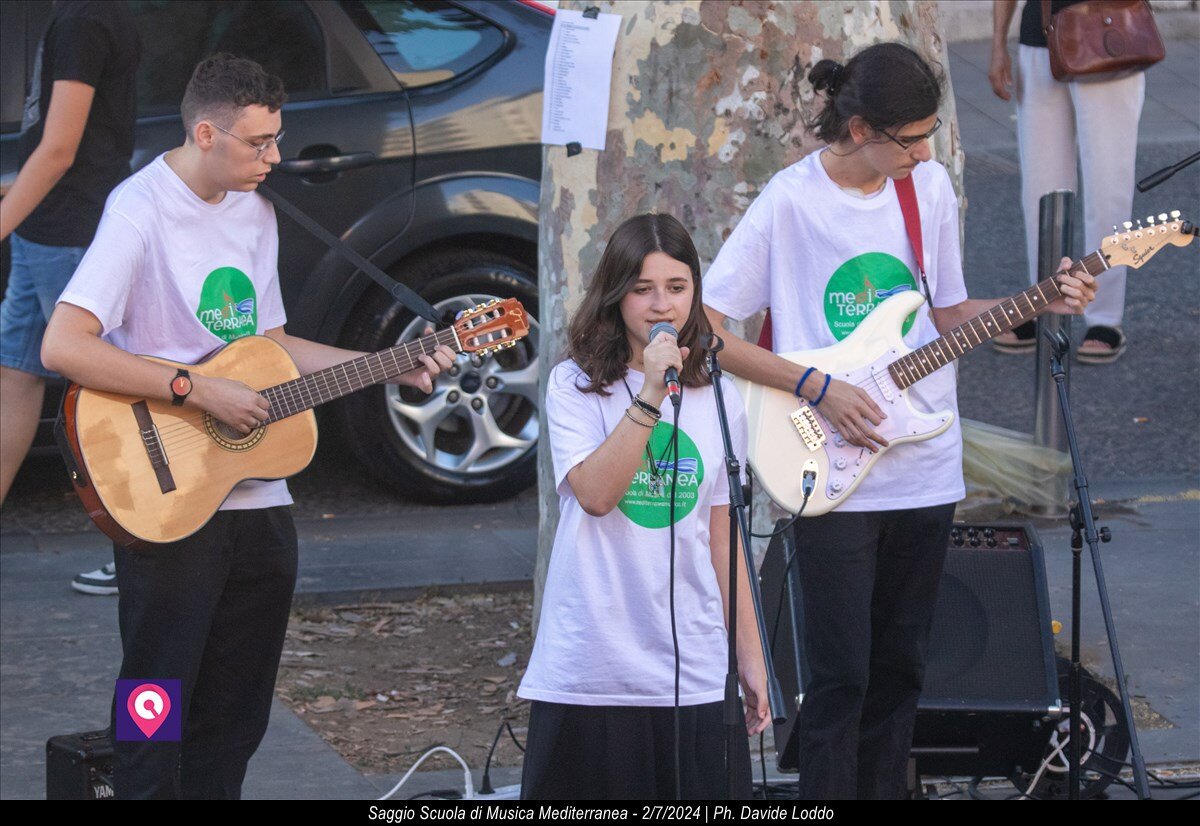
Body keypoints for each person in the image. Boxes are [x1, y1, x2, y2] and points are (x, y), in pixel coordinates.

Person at [40, 54, 455, 799]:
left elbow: (271, 346)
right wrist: (195, 388)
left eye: (276, 139)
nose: (275, 158)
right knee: (153, 695)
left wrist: (385, 365)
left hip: (257, 495)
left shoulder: (256, 213)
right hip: (166, 497)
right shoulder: (139, 211)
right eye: (259, 143)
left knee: (237, 711)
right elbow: (63, 345)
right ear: (207, 133)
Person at [702, 43, 1096, 799]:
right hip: (826, 471)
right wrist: (817, 386)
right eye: (911, 139)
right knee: (839, 678)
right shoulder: (790, 202)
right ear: (859, 130)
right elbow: (709, 332)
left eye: (928, 134)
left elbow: (947, 314)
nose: (924, 152)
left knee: (903, 673)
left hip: (924, 468)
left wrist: (1042, 299)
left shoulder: (929, 190)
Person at [517, 213, 770, 800]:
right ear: (615, 295)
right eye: (643, 289)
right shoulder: (575, 385)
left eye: (677, 288)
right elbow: (596, 495)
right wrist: (652, 392)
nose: (662, 305)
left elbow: (723, 536)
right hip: (594, 664)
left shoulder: (720, 394)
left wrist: (751, 656)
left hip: (694, 666)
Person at [0, 1, 140, 595]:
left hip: (70, 233)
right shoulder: (89, 14)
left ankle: (141, 544)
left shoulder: (84, 19)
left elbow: (61, 149)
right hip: (47, 232)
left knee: (104, 393)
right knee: (15, 374)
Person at [988, 0, 1144, 363]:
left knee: (1108, 186)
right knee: (1039, 191)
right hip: (1039, 35)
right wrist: (998, 44)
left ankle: (1104, 319)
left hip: (1108, 31)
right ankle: (1042, 303)